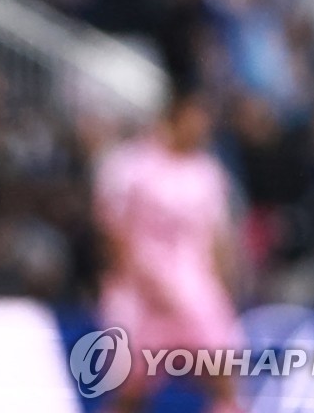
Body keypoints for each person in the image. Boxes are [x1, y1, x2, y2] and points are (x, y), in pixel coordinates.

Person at [93, 90, 244, 413]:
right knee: (130, 392)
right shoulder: (129, 166)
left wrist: (224, 287)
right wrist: (143, 282)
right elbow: (113, 232)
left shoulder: (208, 173)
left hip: (195, 289)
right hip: (139, 294)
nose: (202, 127)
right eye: (195, 119)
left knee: (224, 375)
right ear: (174, 118)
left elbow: (217, 237)